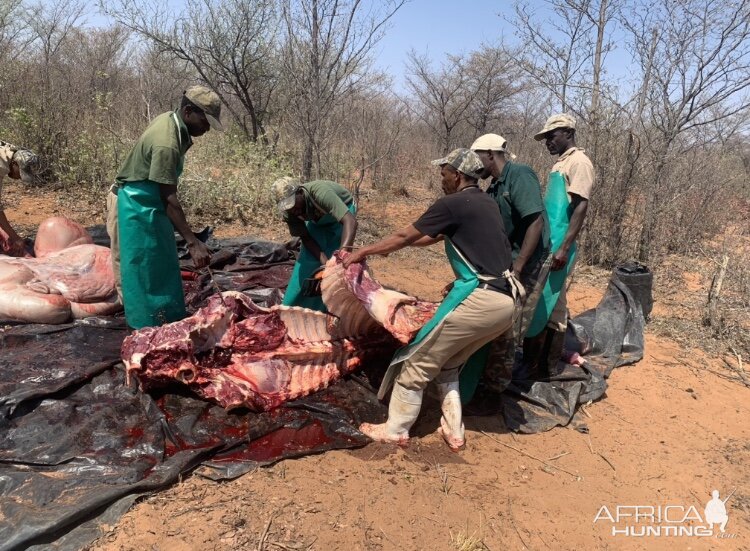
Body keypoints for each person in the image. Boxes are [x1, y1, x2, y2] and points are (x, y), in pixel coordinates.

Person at [343, 148, 520, 450]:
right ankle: (454, 430)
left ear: (458, 174)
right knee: (449, 364)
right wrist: (399, 246)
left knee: (416, 363)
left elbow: (404, 236)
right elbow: (433, 237)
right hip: (506, 303)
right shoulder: (484, 203)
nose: (442, 178)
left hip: (481, 301)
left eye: (444, 173)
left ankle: (396, 429)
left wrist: (363, 252)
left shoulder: (454, 203)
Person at [107, 85, 222, 329]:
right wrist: (192, 242)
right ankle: (141, 330)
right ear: (189, 110)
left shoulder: (171, 121)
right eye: (205, 120)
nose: (208, 127)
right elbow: (169, 196)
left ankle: (164, 320)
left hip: (149, 203)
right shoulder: (167, 142)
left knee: (160, 262)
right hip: (131, 204)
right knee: (137, 269)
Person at [465, 133, 551, 395]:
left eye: (476, 158)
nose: (474, 165)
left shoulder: (520, 175)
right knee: (495, 319)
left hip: (529, 262)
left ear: (490, 154)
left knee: (511, 327)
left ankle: (494, 393)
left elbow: (535, 222)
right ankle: (485, 376)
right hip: (508, 262)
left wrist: (519, 268)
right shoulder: (492, 187)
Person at [526, 113, 595, 374]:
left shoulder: (579, 162)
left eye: (551, 136)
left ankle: (545, 366)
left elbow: (580, 206)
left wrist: (564, 247)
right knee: (551, 300)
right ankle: (538, 362)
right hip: (550, 242)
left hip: (560, 246)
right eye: (545, 138)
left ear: (568, 132)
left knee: (549, 299)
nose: (548, 142)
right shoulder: (560, 164)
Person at [272, 178, 357, 312]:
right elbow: (306, 238)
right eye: (288, 207)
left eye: (293, 203)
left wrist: (340, 257)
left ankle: (327, 311)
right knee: (306, 264)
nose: (293, 209)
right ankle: (290, 309)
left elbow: (350, 222)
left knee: (336, 268)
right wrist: (324, 263)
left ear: (300, 192)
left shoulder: (319, 193)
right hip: (318, 222)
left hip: (342, 216)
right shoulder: (290, 212)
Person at [0, 141, 40, 256]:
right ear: (15, 164)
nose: (19, 178)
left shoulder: (8, 152)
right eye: (20, 173)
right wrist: (15, 237)